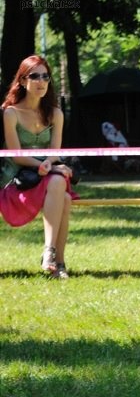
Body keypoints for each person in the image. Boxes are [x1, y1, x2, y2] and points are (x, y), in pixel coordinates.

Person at [0, 55, 77, 279]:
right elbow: (16, 156)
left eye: (45, 76)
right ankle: (58, 263)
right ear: (23, 81)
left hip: (47, 177)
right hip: (16, 182)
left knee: (60, 186)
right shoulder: (11, 113)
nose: (41, 81)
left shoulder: (56, 114)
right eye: (34, 76)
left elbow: (55, 153)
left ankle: (50, 255)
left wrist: (50, 166)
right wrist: (48, 167)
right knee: (62, 192)